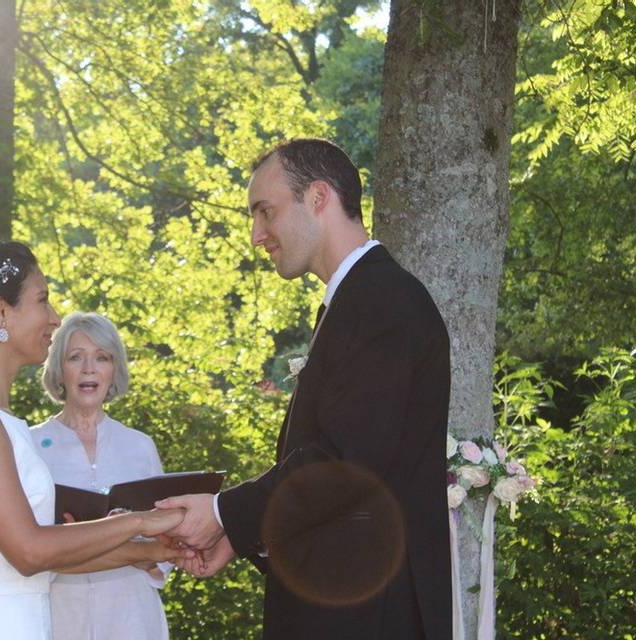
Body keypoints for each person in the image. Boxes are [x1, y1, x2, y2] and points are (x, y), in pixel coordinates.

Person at [157, 138, 453, 639]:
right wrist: (241, 534)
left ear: (318, 197)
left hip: (370, 615)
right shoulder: (357, 302)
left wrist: (223, 512)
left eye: (265, 212)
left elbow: (345, 462)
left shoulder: (383, 301)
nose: (257, 235)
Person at [0, 241, 187, 640]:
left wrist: (148, 550)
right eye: (43, 300)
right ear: (1, 312)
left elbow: (34, 558)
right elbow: (30, 552)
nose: (54, 318)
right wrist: (138, 522)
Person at [31, 311, 171, 640]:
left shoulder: (140, 446)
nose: (89, 369)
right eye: (76, 357)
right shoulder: (30, 445)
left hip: (133, 619)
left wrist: (152, 558)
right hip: (59, 619)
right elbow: (23, 547)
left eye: (102, 358)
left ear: (113, 370)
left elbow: (165, 546)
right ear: (59, 370)